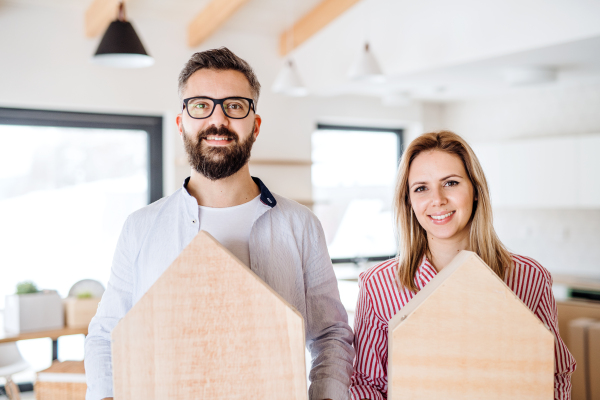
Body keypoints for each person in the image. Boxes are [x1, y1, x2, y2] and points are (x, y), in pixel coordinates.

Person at [85, 47, 354, 400]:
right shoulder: (140, 228)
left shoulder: (301, 225)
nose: (218, 120)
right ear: (182, 122)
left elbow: (330, 334)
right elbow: (107, 334)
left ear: (255, 126)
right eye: (200, 105)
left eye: (234, 106)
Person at [350, 131, 575, 400]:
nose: (438, 199)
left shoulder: (529, 277)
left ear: (476, 190)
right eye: (421, 188)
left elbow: (554, 373)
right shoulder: (378, 285)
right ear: (409, 201)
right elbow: (366, 384)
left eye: (451, 183)